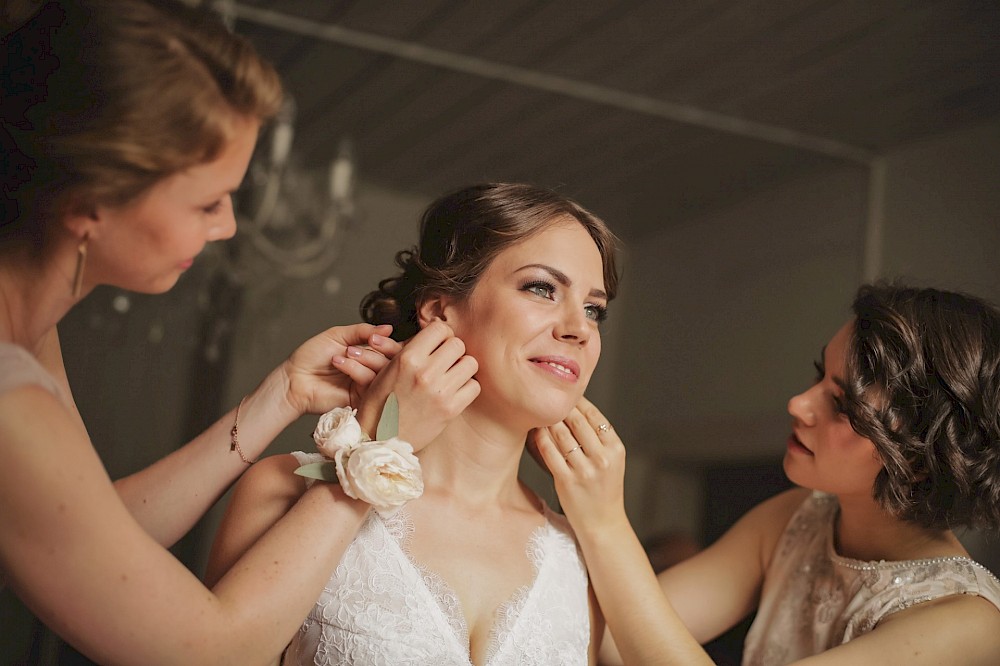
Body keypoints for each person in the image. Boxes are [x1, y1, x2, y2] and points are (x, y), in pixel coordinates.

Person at [0, 2, 478, 664]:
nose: (227, 227)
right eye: (206, 202)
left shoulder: (30, 338)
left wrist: (278, 396)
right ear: (90, 204)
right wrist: (376, 447)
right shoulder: (8, 397)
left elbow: (96, 531)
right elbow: (207, 650)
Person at [207, 182, 622, 665]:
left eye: (595, 309)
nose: (579, 328)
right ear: (439, 309)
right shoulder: (281, 490)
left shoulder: (581, 554)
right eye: (541, 288)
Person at [533, 283, 1000, 665]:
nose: (798, 404)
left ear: (920, 457)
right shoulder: (799, 518)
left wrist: (605, 520)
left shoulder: (967, 623)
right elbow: (617, 642)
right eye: (819, 374)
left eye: (841, 405)